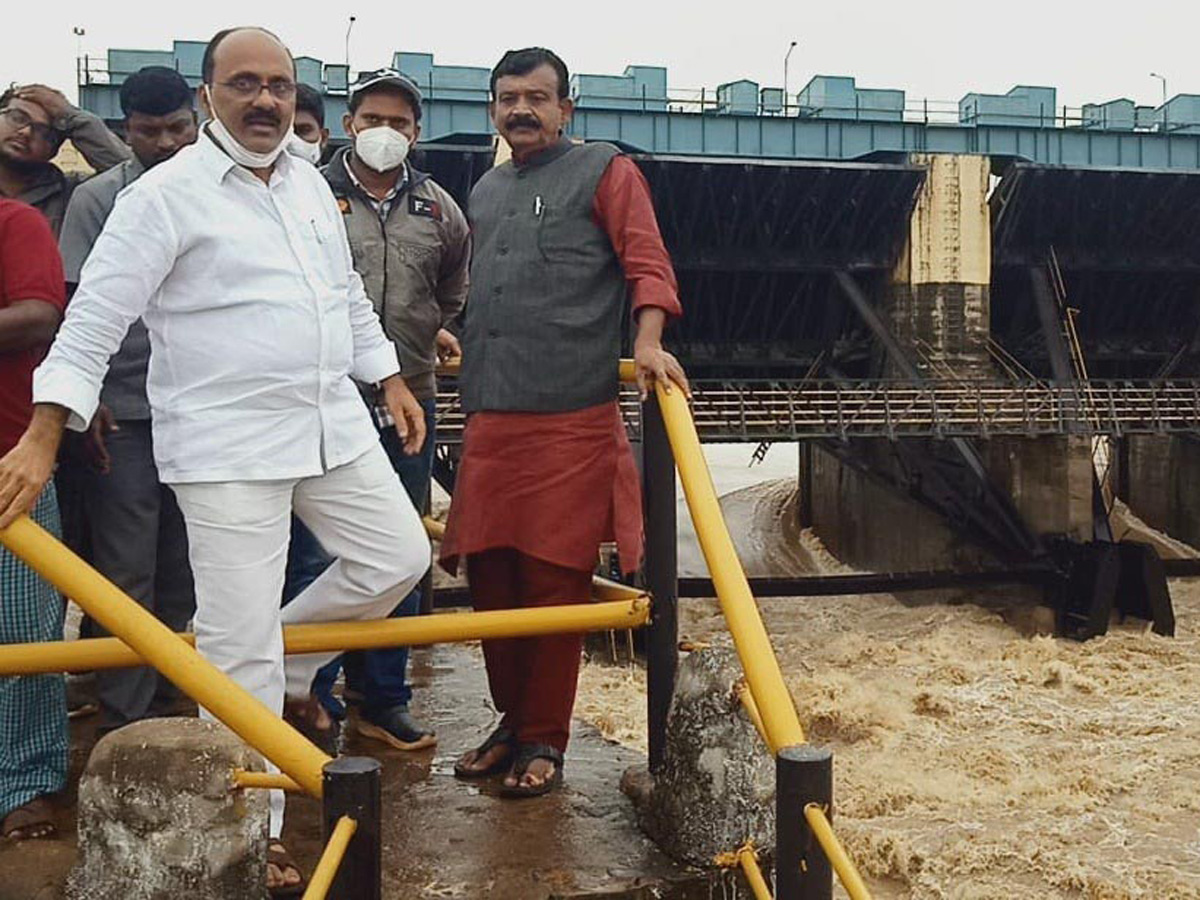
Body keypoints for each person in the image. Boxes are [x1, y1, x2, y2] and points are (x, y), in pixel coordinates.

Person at [0, 27, 429, 894]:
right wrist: (45, 432)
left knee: (400, 555)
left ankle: (297, 668)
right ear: (208, 99)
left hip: (328, 423)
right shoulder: (164, 199)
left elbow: (341, 295)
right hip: (228, 447)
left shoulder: (309, 184)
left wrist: (386, 376)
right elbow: (93, 321)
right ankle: (250, 830)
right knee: (237, 650)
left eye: (278, 84)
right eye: (244, 84)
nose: (265, 99)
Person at [443, 47, 688, 798]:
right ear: (493, 109)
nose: (522, 110)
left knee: (554, 585)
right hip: (489, 414)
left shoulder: (607, 170)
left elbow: (647, 261)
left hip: (570, 417)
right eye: (509, 98)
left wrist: (646, 343)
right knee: (491, 578)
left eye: (538, 98)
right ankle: (512, 722)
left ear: (565, 108)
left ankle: (545, 739)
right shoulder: (484, 190)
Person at [307, 67, 468, 752]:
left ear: (416, 132)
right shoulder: (306, 192)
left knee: (400, 551)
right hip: (321, 400)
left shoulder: (439, 209)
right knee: (313, 553)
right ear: (349, 125)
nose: (385, 133)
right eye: (372, 119)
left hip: (411, 397)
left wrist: (424, 329)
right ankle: (309, 691)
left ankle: (383, 697)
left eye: (399, 123)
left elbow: (452, 290)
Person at [57, 66, 199, 736]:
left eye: (178, 129)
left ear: (196, 121)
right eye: (150, 132)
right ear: (126, 131)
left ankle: (177, 691)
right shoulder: (98, 200)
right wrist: (87, 399)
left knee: (185, 565)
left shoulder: (218, 195)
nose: (167, 143)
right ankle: (125, 716)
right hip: (127, 414)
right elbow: (77, 306)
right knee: (125, 566)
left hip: (202, 411)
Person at [0, 199, 68, 841]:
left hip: (7, 462)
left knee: (23, 634)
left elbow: (38, 317)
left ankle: (24, 781)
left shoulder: (13, 223)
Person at [0, 83, 131, 236]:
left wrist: (71, 117)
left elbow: (132, 175)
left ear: (54, 149)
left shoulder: (72, 196)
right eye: (18, 118)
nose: (26, 132)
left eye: (42, 131)